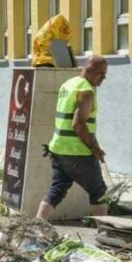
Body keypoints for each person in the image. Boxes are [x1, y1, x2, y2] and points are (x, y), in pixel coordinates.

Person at [36, 54, 109, 220]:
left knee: (57, 190)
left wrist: (96, 145)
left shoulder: (68, 85)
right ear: (90, 70)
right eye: (101, 73)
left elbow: (78, 122)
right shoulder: (86, 91)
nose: (103, 78)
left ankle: (35, 226)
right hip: (77, 151)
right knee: (98, 192)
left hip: (58, 148)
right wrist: (94, 148)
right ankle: (105, 232)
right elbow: (78, 124)